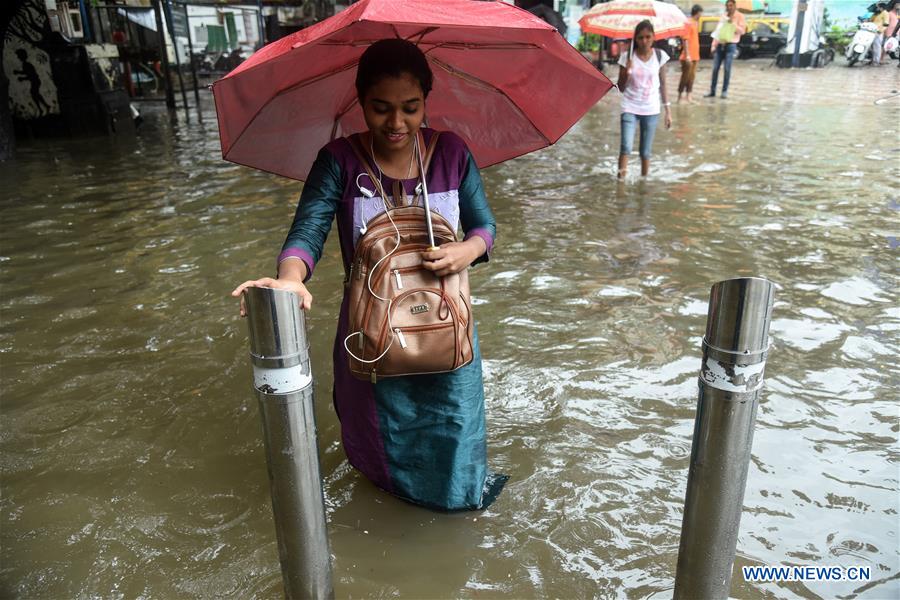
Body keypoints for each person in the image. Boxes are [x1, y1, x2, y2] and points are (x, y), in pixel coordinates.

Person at [231, 39, 506, 512]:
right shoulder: (338, 161)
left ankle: (457, 513)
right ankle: (399, 516)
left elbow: (486, 226)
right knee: (384, 440)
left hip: (448, 325)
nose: (396, 124)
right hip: (371, 329)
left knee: (456, 430)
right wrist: (292, 278)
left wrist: (467, 250)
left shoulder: (452, 154)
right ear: (360, 101)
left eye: (410, 108)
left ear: (426, 101)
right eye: (380, 109)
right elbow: (307, 231)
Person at [617, 20, 672, 180]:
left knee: (645, 151)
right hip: (630, 107)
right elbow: (620, 87)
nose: (644, 41)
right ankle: (620, 181)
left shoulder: (660, 56)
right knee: (626, 146)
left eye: (648, 37)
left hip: (651, 109)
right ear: (635, 39)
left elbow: (663, 84)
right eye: (640, 38)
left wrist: (668, 111)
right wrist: (627, 72)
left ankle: (644, 183)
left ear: (654, 37)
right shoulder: (627, 57)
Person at [705, 0, 746, 99]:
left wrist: (733, 24)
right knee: (715, 69)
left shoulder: (740, 16)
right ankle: (712, 91)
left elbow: (742, 31)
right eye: (727, 5)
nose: (729, 7)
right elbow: (718, 31)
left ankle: (724, 91)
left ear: (735, 6)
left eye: (731, 5)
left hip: (731, 45)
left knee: (727, 69)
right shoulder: (723, 16)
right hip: (720, 44)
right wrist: (713, 44)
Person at [678, 5, 703, 104]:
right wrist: (687, 54)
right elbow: (685, 39)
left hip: (695, 55)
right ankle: (680, 96)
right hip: (687, 56)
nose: (701, 15)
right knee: (685, 76)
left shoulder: (696, 23)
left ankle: (689, 96)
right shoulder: (688, 23)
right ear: (697, 12)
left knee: (692, 77)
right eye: (701, 13)